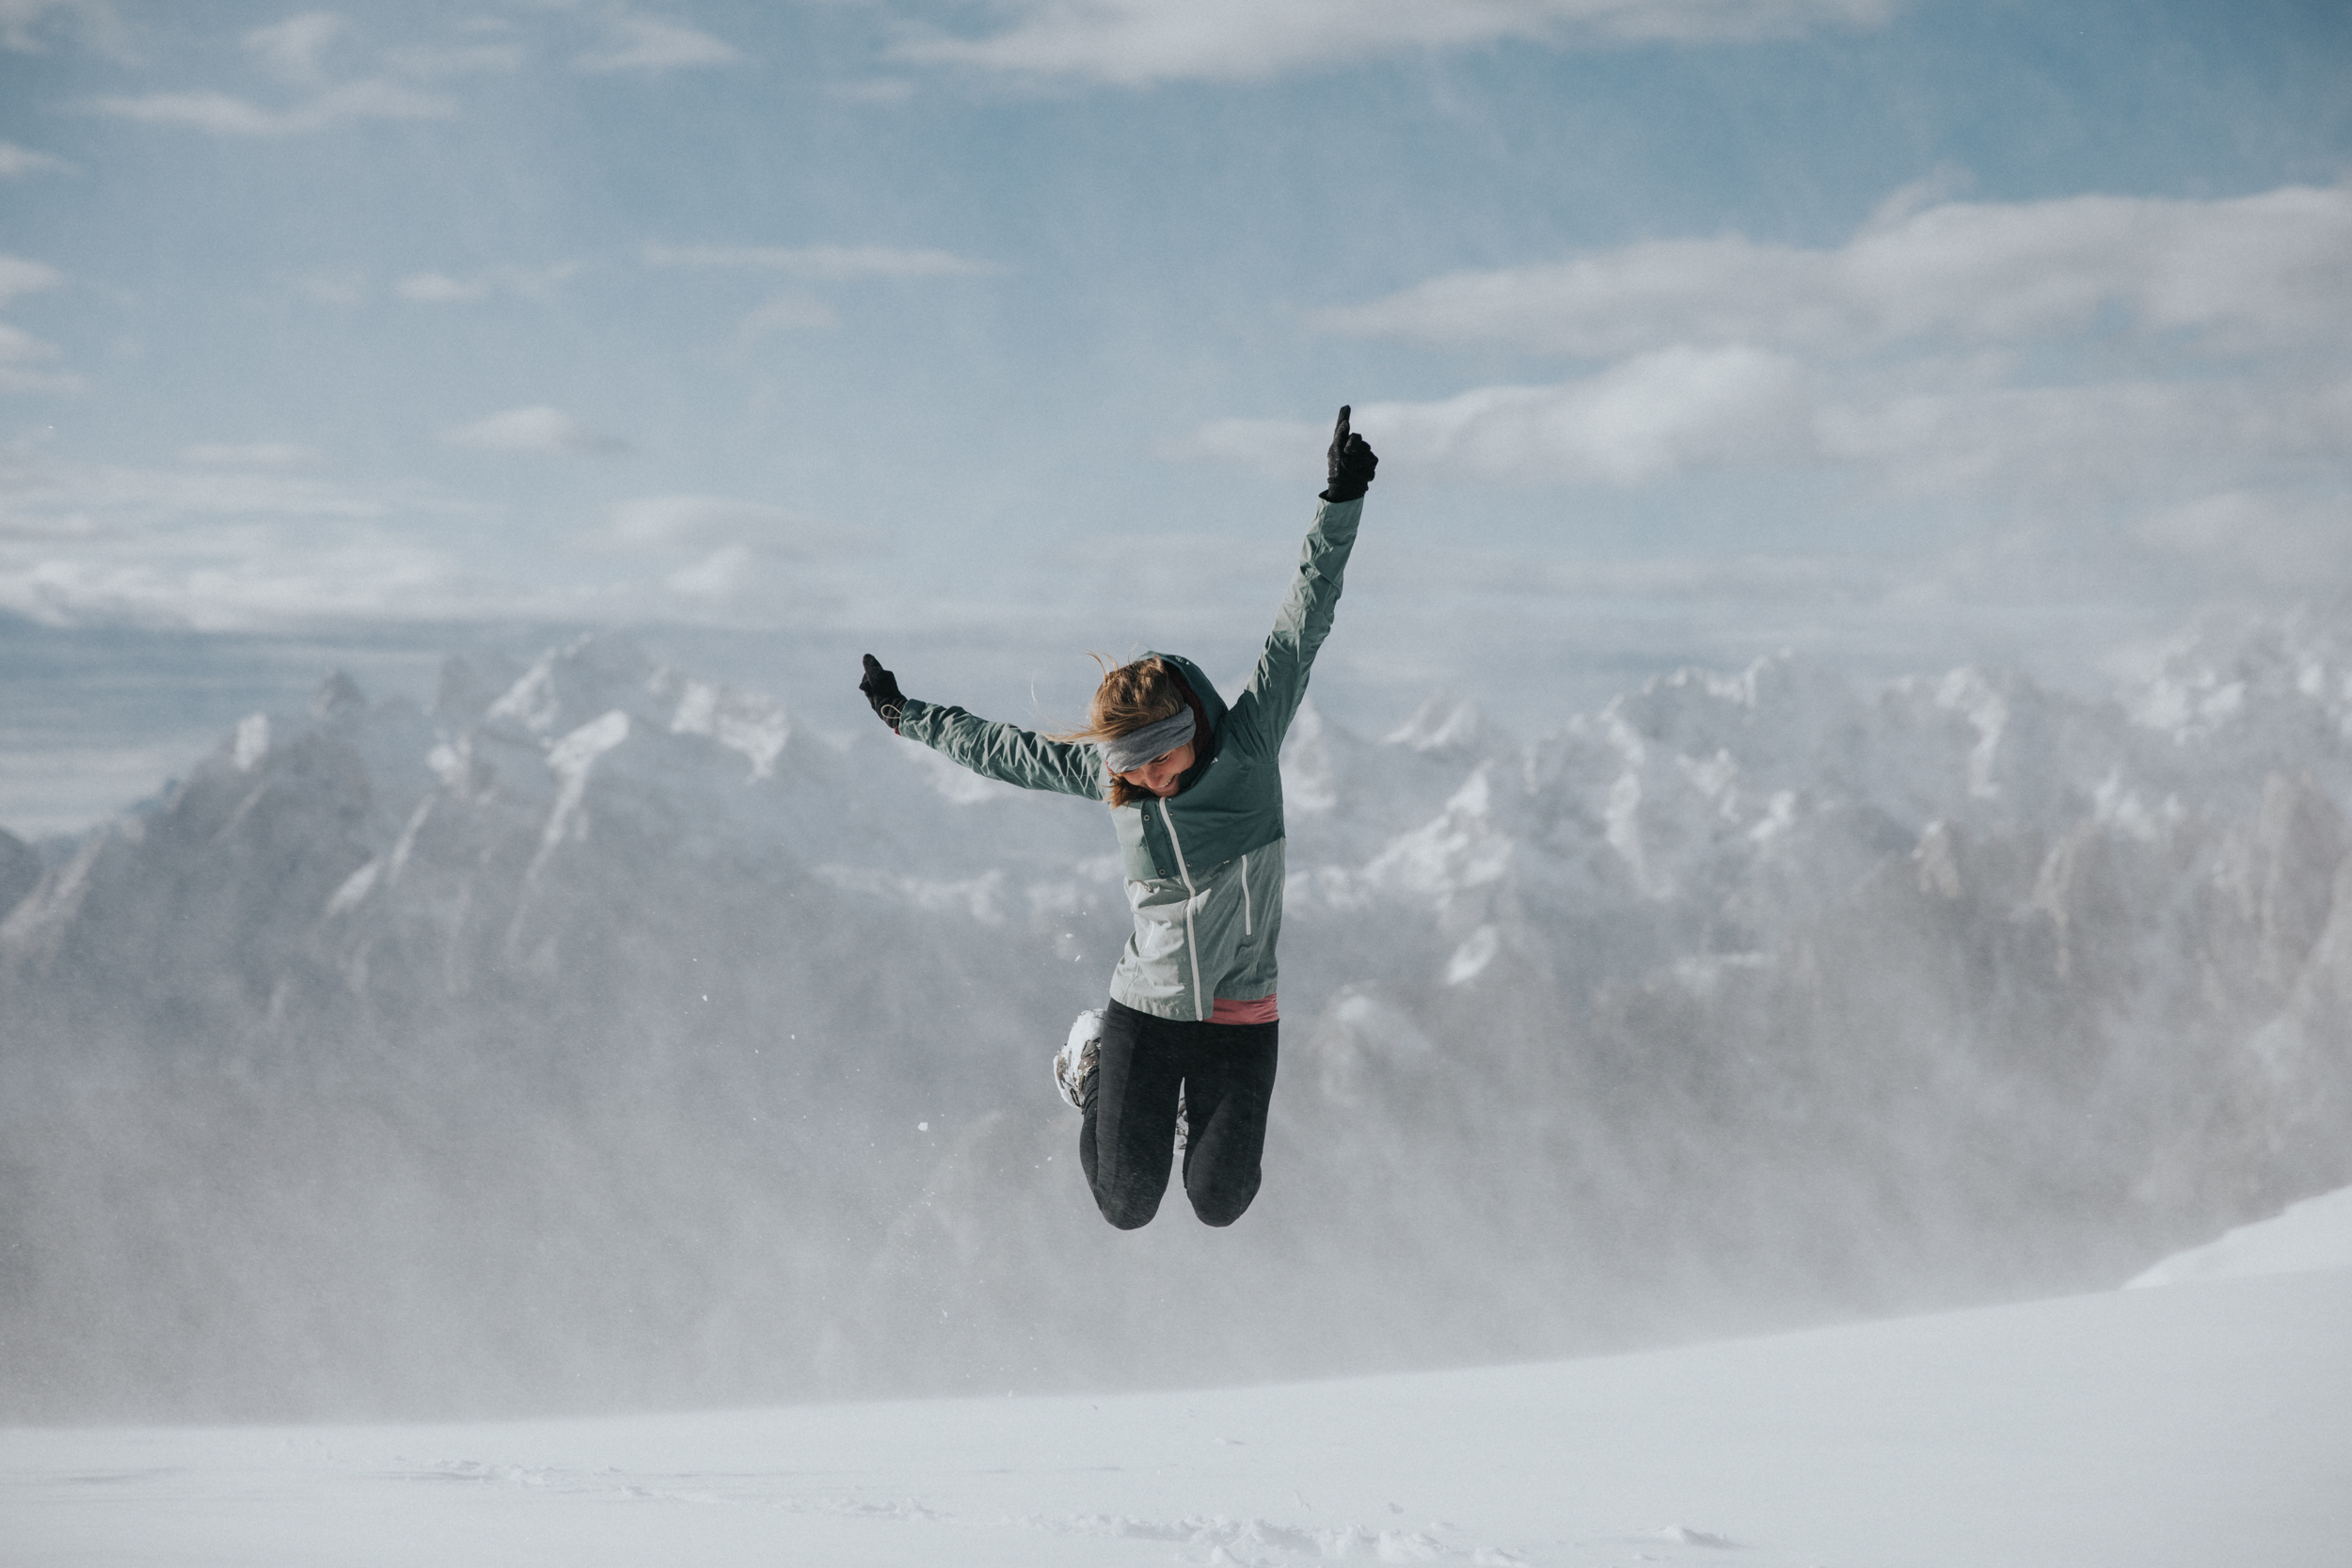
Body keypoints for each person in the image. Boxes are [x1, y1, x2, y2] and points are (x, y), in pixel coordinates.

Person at [857, 406, 1377, 1229]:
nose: (1145, 783)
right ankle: (1091, 1065)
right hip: (1147, 1007)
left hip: (1242, 1012)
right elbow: (1004, 748)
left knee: (1220, 1198)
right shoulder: (1117, 779)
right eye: (1127, 769)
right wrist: (905, 714)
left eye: (1156, 762)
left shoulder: (1247, 745)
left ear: (1190, 730)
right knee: (1128, 1201)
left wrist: (1339, 499)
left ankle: (1178, 1116)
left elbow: (1300, 623)